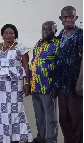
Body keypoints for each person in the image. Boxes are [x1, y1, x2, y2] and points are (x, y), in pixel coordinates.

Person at [0, 24, 33, 143]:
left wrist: (27, 83)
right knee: (2, 108)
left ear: (15, 34)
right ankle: (3, 137)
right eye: (6, 33)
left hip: (16, 83)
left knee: (16, 109)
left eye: (11, 33)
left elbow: (25, 65)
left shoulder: (21, 47)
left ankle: (16, 137)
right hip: (1, 84)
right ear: (2, 34)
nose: (8, 35)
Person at [51, 6, 83, 143]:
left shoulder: (80, 34)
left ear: (76, 18)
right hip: (61, 84)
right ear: (61, 19)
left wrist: (80, 82)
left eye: (71, 16)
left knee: (77, 119)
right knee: (63, 118)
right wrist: (55, 84)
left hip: (74, 83)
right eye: (65, 17)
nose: (68, 19)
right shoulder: (60, 36)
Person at [30, 21, 58, 143]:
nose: (45, 31)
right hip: (35, 85)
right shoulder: (38, 43)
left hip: (48, 87)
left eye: (48, 29)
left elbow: (59, 66)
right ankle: (41, 137)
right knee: (39, 115)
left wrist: (55, 85)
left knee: (50, 116)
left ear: (55, 31)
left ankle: (51, 139)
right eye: (43, 29)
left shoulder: (57, 45)